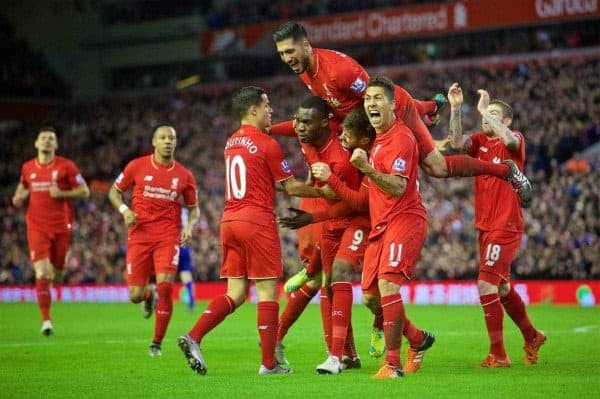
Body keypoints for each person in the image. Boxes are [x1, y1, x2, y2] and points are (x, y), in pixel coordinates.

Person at [271, 21, 532, 204]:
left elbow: (378, 98)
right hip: (365, 121)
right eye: (282, 53)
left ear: (305, 46)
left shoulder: (339, 70)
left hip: (391, 111)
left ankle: (505, 171)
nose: (286, 58)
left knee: (436, 168)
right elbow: (331, 109)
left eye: (290, 51)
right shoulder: (304, 71)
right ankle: (429, 108)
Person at [177, 86, 325, 376]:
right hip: (256, 221)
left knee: (236, 292)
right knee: (268, 292)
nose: (271, 110)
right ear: (253, 110)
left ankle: (194, 336)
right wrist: (328, 191)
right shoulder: (267, 143)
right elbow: (291, 187)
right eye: (267, 105)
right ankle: (269, 364)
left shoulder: (231, 142)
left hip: (229, 221)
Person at [312, 76, 434, 378]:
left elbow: (396, 186)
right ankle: (417, 340)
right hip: (380, 226)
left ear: (392, 105)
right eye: (368, 99)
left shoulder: (401, 139)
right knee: (370, 297)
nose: (371, 104)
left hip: (404, 219)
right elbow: (364, 196)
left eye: (378, 98)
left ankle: (392, 365)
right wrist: (336, 179)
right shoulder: (377, 142)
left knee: (389, 285)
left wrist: (366, 169)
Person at [446, 83, 546, 367]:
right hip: (485, 226)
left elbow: (510, 140)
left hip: (506, 224)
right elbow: (456, 142)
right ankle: (532, 335)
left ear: (506, 120)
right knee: (501, 288)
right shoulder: (479, 141)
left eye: (492, 114)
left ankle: (498, 355)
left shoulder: (513, 139)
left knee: (485, 284)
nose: (484, 119)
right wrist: (455, 109)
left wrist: (482, 109)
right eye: (483, 115)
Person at [108, 123, 199, 357]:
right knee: (134, 295)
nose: (168, 141)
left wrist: (189, 226)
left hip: (168, 236)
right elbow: (114, 191)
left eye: (172, 137)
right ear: (154, 142)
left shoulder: (184, 175)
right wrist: (124, 210)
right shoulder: (136, 166)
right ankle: (148, 296)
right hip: (139, 235)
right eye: (163, 137)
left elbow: (194, 208)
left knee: (166, 286)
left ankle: (156, 343)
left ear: (176, 142)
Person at [12, 127, 90, 336]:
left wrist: (62, 193)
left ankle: (53, 282)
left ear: (56, 145)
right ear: (36, 143)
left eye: (51, 139)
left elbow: (85, 191)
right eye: (43, 138)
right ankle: (46, 321)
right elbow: (23, 185)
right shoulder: (28, 167)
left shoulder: (67, 166)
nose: (47, 141)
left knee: (58, 272)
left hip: (61, 226)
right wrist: (19, 196)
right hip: (36, 226)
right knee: (42, 272)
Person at [178, 207, 195, 311]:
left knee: (163, 273)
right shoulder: (185, 212)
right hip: (184, 244)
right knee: (185, 273)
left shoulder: (172, 206)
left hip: (171, 243)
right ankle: (191, 302)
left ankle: (157, 302)